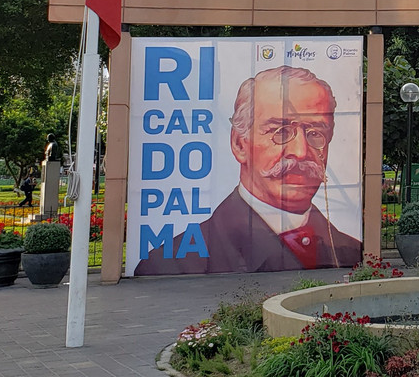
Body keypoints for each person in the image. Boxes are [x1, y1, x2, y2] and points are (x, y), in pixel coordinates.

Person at [135, 66, 361, 275]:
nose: (301, 152)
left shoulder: (351, 252)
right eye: (280, 132)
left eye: (315, 133)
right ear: (239, 144)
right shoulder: (171, 264)